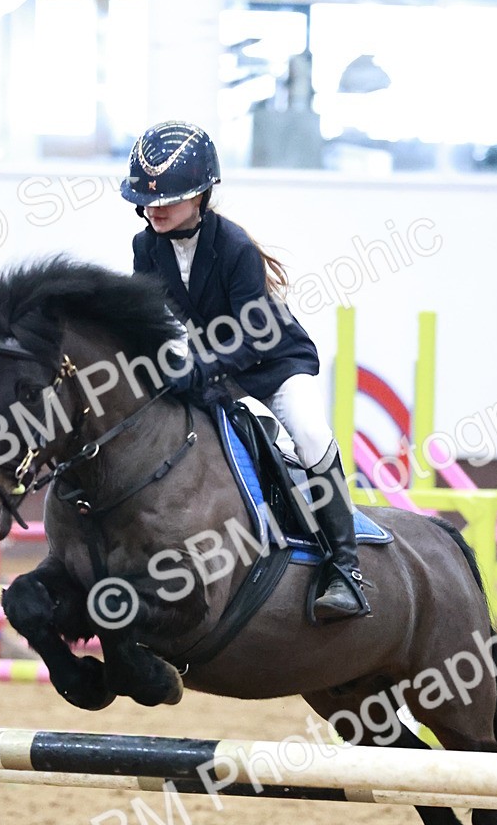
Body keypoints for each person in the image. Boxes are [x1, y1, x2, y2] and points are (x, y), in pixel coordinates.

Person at [120, 119, 370, 622]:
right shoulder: (145, 246)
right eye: (147, 200)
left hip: (272, 365)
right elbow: (148, 318)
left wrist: (199, 369)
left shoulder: (232, 248)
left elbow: (255, 336)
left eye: (168, 198)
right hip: (212, 368)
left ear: (201, 195)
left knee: (309, 432)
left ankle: (346, 568)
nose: (154, 208)